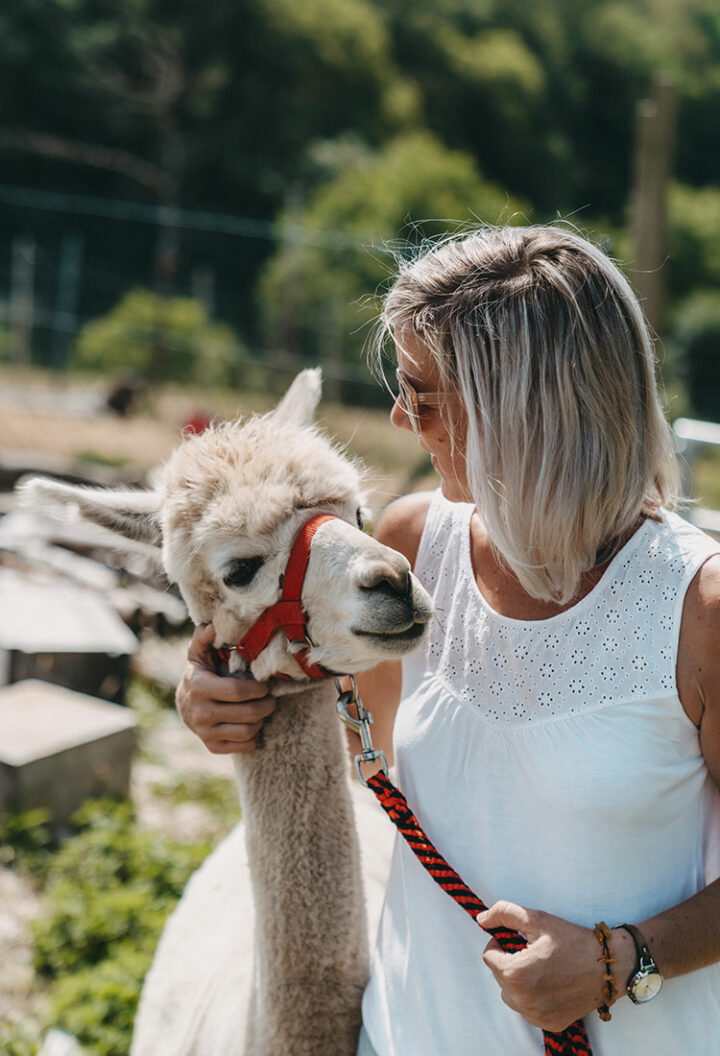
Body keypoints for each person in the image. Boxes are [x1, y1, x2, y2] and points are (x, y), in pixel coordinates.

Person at [176, 226, 720, 1056]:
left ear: (525, 406)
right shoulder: (416, 547)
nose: (400, 418)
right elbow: (339, 727)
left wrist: (620, 961)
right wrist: (217, 693)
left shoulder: (698, 608)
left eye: (422, 393)